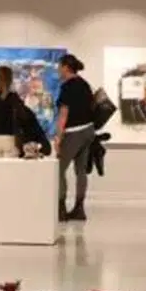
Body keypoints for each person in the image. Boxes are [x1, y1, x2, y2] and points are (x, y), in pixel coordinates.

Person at [53, 54, 96, 222]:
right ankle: (79, 208)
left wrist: (58, 138)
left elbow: (63, 114)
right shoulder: (85, 84)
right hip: (88, 131)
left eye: (59, 66)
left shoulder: (67, 87)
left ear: (65, 67)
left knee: (59, 170)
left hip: (74, 132)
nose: (58, 70)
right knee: (81, 171)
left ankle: (61, 209)